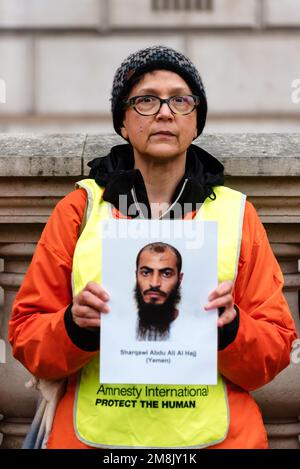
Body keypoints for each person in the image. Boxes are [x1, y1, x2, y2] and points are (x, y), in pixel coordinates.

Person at [9, 45, 297, 449]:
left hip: (217, 442)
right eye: (146, 100)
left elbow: (275, 348)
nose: (164, 112)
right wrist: (74, 327)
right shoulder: (81, 208)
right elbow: (27, 336)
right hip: (94, 442)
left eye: (180, 100)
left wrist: (232, 329)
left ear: (196, 121)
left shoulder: (236, 214)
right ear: (123, 123)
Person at [135, 242, 183, 341]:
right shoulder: (115, 323)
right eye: (145, 273)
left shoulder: (199, 325)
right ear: (136, 275)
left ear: (179, 279)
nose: (154, 283)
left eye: (166, 274)